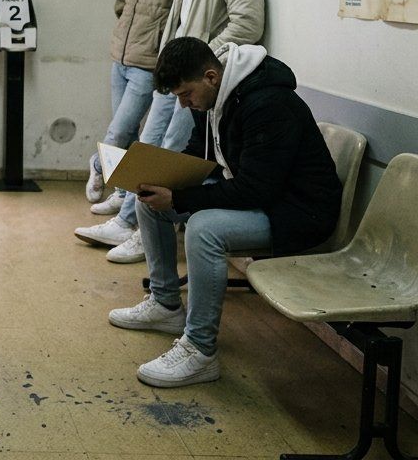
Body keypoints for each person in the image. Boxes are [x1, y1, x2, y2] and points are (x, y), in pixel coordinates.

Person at [108, 36, 341, 387]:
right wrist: (158, 176)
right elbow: (199, 153)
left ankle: (200, 350)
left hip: (299, 213)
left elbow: (256, 189)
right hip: (264, 198)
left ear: (211, 76)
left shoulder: (268, 103)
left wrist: (179, 198)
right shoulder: (212, 97)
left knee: (204, 229)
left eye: (186, 94)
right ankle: (165, 305)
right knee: (150, 202)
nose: (184, 104)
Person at [75, 0, 265, 263]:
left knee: (170, 154)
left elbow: (247, 24)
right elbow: (178, 19)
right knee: (149, 148)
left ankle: (139, 232)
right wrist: (169, 59)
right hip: (176, 70)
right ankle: (127, 220)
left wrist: (200, 61)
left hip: (198, 78)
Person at [74, 0, 181, 264]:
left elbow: (174, 19)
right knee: (128, 132)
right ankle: (121, 192)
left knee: (118, 132)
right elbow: (121, 3)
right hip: (119, 60)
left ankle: (97, 163)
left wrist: (150, 42)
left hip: (146, 66)